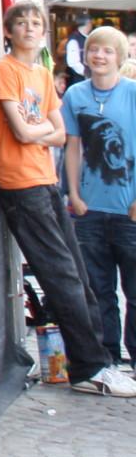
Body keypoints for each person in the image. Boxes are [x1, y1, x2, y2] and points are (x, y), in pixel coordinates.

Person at [0, 0, 136, 395]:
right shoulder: (4, 71)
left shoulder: (41, 74)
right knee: (63, 277)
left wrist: (36, 130)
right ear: (8, 31)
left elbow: (58, 135)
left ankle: (97, 363)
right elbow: (24, 132)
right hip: (21, 184)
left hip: (45, 180)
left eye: (36, 23)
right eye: (22, 23)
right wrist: (39, 130)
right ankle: (90, 368)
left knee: (80, 277)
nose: (30, 28)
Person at [62, 24, 136, 367]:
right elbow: (72, 147)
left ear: (119, 57)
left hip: (128, 210)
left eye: (107, 50)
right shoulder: (75, 95)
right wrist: (74, 194)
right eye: (94, 49)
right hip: (89, 210)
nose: (100, 56)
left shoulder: (132, 92)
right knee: (99, 291)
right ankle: (109, 360)